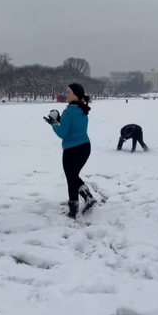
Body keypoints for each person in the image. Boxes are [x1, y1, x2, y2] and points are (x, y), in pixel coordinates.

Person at [44, 83, 97, 219]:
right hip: (85, 148)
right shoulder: (82, 109)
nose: (65, 94)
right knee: (73, 176)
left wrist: (54, 123)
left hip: (72, 150)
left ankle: (73, 210)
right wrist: (60, 120)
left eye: (68, 92)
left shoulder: (68, 111)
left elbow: (63, 133)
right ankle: (88, 197)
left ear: (75, 95)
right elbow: (73, 127)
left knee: (71, 178)